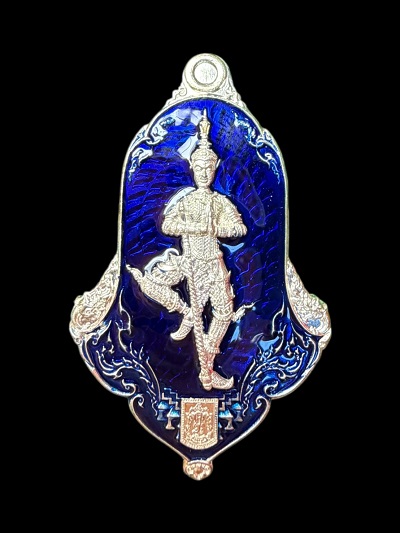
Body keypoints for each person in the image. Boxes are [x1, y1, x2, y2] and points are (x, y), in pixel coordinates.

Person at [128, 110, 250, 391]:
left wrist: (216, 228)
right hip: (188, 261)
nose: (204, 173)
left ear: (215, 169)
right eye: (199, 168)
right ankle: (184, 311)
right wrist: (195, 227)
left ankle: (207, 366)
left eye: (209, 169)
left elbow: (240, 229)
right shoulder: (185, 201)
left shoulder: (220, 202)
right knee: (149, 281)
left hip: (213, 262)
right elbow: (168, 225)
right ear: (193, 168)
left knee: (223, 312)